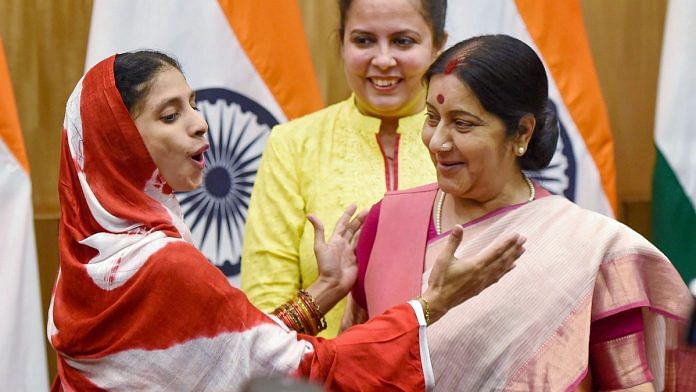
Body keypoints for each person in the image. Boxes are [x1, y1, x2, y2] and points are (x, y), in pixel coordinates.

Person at [47, 50, 527, 391]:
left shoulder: (92, 257)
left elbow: (229, 355)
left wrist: (326, 289)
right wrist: (430, 306)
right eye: (169, 115)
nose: (199, 123)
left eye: (193, 104)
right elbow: (299, 371)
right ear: (120, 144)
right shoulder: (160, 265)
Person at [345, 35, 696, 390]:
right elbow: (347, 367)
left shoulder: (589, 249)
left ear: (522, 132)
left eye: (462, 124)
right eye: (432, 118)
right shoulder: (388, 220)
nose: (438, 142)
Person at [241, 0, 448, 337]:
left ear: (439, 45)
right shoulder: (294, 144)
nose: (382, 60)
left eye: (403, 41)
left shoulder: (464, 144)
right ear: (340, 43)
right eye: (363, 41)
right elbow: (264, 307)